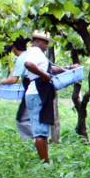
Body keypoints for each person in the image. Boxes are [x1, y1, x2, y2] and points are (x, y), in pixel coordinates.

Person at [23, 31, 67, 163]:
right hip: (37, 93)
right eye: (45, 42)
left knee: (42, 130)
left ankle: (45, 160)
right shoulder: (35, 51)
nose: (46, 45)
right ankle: (45, 163)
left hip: (39, 93)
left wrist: (67, 68)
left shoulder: (38, 54)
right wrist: (44, 75)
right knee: (40, 132)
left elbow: (50, 70)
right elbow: (28, 65)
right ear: (37, 41)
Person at [0, 36, 32, 139]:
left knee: (21, 119)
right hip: (38, 90)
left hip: (32, 90)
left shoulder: (22, 58)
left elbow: (13, 80)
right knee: (32, 117)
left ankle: (35, 141)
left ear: (15, 48)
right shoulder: (29, 54)